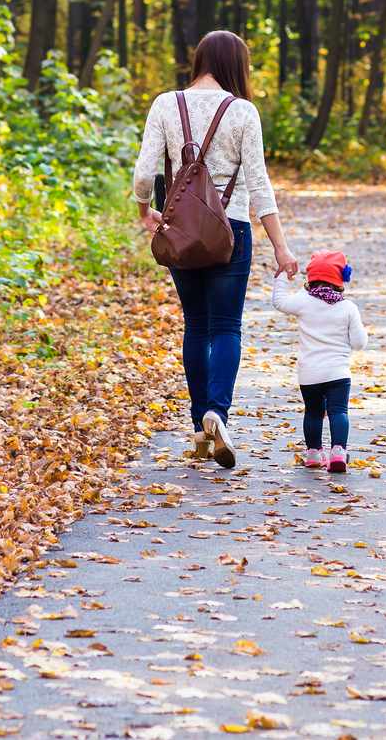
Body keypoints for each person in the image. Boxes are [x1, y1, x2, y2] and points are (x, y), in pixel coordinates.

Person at [133, 31, 296, 469]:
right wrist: (281, 248)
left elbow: (145, 172)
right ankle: (215, 413)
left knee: (196, 324)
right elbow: (259, 185)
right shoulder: (242, 111)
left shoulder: (166, 104)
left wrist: (146, 210)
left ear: (200, 60)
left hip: (181, 231)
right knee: (226, 325)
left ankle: (197, 425)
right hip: (233, 231)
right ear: (236, 66)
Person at [270, 250, 366, 474]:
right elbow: (360, 343)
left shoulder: (303, 301)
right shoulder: (348, 308)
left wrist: (283, 275)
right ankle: (338, 452)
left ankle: (313, 454)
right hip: (338, 372)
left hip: (309, 373)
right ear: (340, 280)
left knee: (313, 412)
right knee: (338, 412)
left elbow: (279, 301)